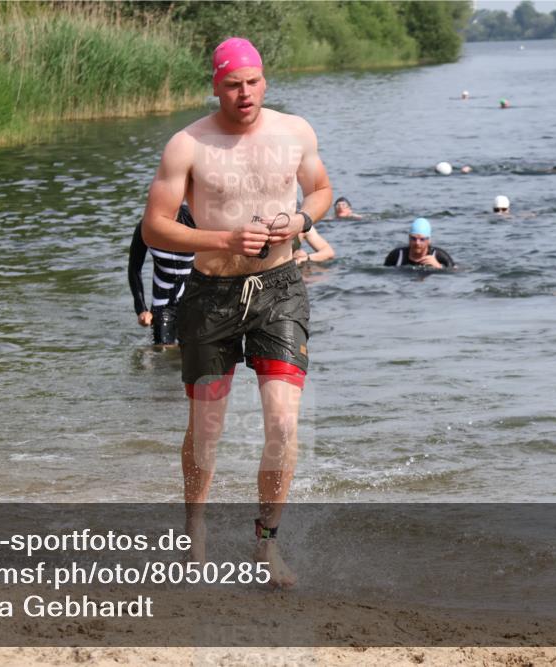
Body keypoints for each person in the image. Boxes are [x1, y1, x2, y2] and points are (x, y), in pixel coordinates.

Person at [141, 36, 332, 587]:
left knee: (284, 424)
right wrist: (225, 237)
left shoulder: (295, 131)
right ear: (216, 85)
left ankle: (265, 547)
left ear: (264, 81)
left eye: (251, 82)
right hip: (210, 296)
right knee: (206, 430)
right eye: (232, 84)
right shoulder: (188, 144)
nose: (243, 93)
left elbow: (319, 189)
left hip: (280, 290)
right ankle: (194, 538)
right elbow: (156, 226)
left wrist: (300, 222)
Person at [128, 204, 195, 346]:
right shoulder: (146, 228)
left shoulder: (193, 219)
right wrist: (141, 310)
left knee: (192, 351)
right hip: (162, 302)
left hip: (194, 299)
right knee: (163, 350)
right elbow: (134, 268)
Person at [384, 218, 454, 269]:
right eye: (414, 239)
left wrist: (439, 267)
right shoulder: (397, 256)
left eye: (422, 239)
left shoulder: (439, 256)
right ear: (409, 238)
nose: (417, 243)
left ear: (429, 240)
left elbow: (456, 272)